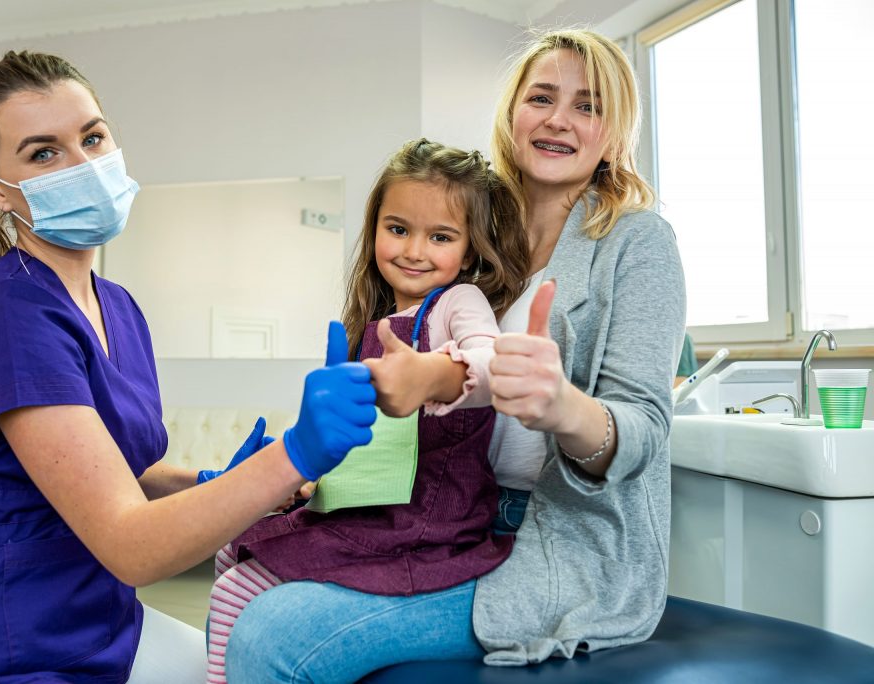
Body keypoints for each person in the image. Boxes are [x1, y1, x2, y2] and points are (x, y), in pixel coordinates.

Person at [0, 51, 376, 683]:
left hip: (97, 615)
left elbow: (122, 466)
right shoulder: (9, 317)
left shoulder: (118, 306)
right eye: (44, 153)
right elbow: (131, 544)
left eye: (93, 137)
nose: (84, 165)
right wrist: (291, 457)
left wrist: (217, 479)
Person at [225, 28, 687, 682]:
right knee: (246, 568)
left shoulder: (638, 243)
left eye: (588, 106)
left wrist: (563, 408)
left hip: (547, 544)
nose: (559, 119)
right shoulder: (468, 230)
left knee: (273, 634)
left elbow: (642, 431)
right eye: (542, 97)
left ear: (616, 133)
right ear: (512, 113)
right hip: (439, 518)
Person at [203, 139, 531, 682]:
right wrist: (306, 473)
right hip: (364, 511)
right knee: (230, 555)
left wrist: (436, 374)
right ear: (374, 227)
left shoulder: (457, 303)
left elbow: (490, 357)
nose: (414, 250)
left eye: (441, 237)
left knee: (239, 583)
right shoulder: (373, 319)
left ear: (470, 251)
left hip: (427, 526)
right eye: (398, 229)